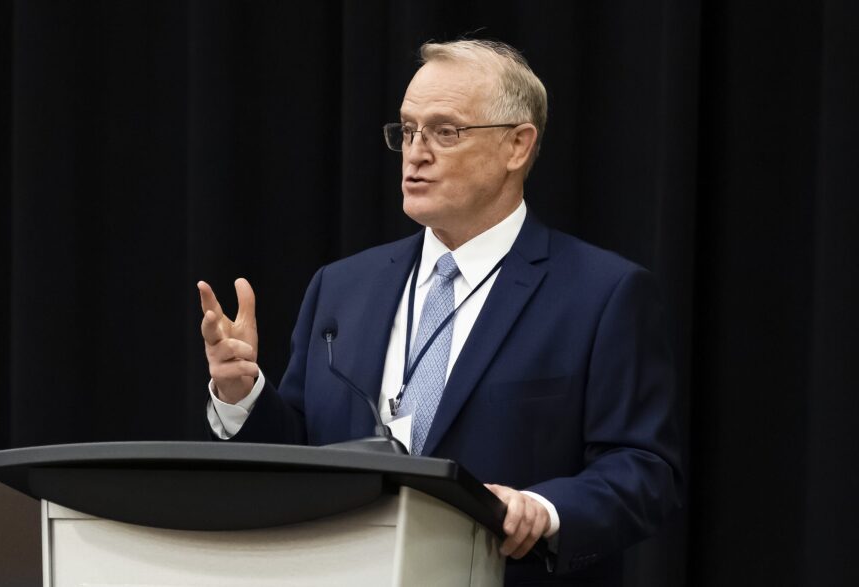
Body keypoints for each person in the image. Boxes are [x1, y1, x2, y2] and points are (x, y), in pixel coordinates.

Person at [197, 39, 681, 586]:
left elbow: (643, 470)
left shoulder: (602, 294)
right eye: (406, 130)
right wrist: (242, 394)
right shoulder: (341, 287)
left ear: (517, 146)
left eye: (445, 132)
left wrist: (542, 510)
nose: (415, 152)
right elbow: (303, 455)